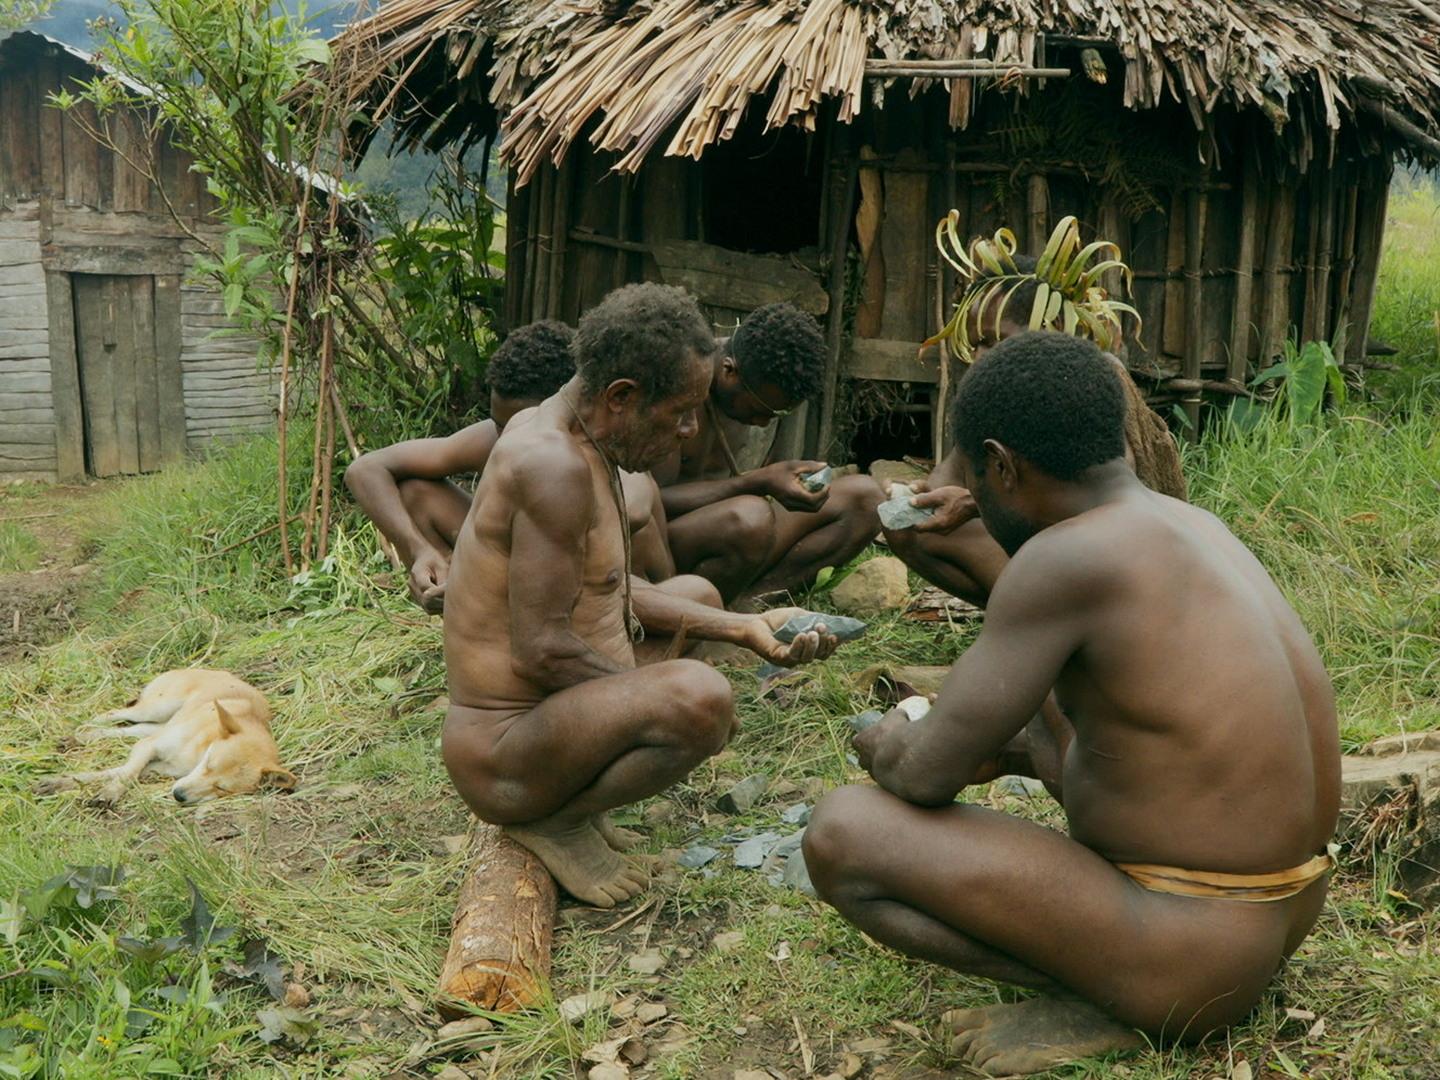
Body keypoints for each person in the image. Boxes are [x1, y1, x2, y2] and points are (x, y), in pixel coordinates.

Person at [803, 332, 1339, 1076]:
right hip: (1282, 915)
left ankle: (1103, 996)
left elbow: (922, 775)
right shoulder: (1195, 527)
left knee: (843, 833)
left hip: (1193, 954)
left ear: (1001, 465)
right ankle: (1131, 972)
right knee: (1039, 710)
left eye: (981, 479)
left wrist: (893, 735)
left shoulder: (1064, 559)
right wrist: (1011, 745)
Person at [443, 284, 843, 908]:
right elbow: (542, 651)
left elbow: (606, 588)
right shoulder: (551, 465)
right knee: (698, 696)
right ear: (621, 397)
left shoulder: (579, 436)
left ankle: (579, 803)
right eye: (682, 411)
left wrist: (744, 628)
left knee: (694, 596)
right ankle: (555, 821)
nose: (689, 431)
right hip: (504, 752)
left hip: (549, 728)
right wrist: (655, 700)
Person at [882, 257, 1187, 608]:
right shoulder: (993, 390)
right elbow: (947, 477)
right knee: (907, 529)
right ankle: (1027, 614)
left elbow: (1109, 503)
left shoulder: (1091, 378)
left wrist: (974, 503)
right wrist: (915, 497)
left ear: (1050, 326)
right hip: (1042, 546)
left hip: (1111, 555)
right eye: (977, 342)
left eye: (996, 340)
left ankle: (1066, 619)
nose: (980, 355)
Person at [344, 321, 673, 612]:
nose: (504, 438)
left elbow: (634, 511)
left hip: (604, 598)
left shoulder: (610, 447)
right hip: (518, 575)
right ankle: (461, 599)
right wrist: (419, 550)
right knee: (416, 492)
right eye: (498, 423)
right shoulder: (499, 439)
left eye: (516, 423)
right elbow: (365, 470)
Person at [654, 302, 883, 603]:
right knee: (750, 519)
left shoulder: (750, 379)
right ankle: (697, 614)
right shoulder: (676, 387)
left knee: (866, 498)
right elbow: (650, 503)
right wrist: (756, 482)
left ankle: (752, 603)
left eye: (777, 413)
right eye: (758, 409)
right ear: (728, 371)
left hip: (732, 535)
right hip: (663, 544)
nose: (763, 422)